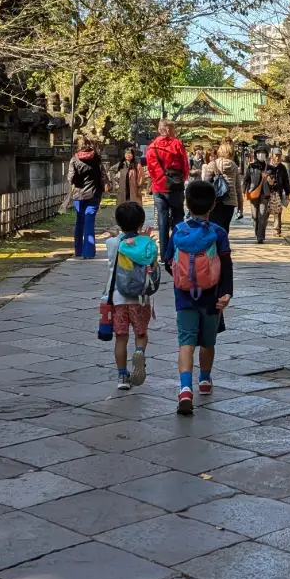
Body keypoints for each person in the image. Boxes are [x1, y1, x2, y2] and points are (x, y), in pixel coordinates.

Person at [168, 180, 233, 415]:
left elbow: (168, 261)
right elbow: (226, 264)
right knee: (208, 341)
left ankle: (185, 388)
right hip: (212, 297)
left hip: (184, 297)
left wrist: (184, 276)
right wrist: (226, 293)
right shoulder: (218, 232)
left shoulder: (178, 230)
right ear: (213, 204)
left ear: (187, 203)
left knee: (185, 343)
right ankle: (204, 379)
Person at [100, 201, 158, 390]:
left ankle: (122, 377)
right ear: (141, 223)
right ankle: (140, 351)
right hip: (141, 299)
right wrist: (144, 237)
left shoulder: (112, 243)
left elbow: (118, 241)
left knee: (121, 338)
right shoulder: (147, 243)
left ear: (118, 222)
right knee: (140, 333)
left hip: (118, 299)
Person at [146, 120, 189, 272]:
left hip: (159, 187)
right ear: (170, 130)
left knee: (162, 221)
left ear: (160, 130)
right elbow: (185, 164)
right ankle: (177, 251)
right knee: (178, 218)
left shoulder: (152, 147)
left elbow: (151, 168)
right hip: (175, 186)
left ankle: (164, 255)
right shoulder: (177, 144)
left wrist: (159, 181)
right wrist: (181, 179)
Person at [69, 136, 105, 258]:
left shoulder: (74, 159)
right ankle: (88, 252)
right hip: (94, 193)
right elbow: (103, 175)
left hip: (79, 194)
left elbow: (70, 178)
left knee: (79, 222)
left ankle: (78, 250)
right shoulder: (97, 158)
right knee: (89, 221)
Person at [207, 139, 241, 231]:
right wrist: (240, 206)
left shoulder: (211, 164)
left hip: (214, 199)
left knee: (213, 226)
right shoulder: (233, 166)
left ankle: (215, 244)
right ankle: (223, 244)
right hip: (230, 200)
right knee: (224, 227)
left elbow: (206, 184)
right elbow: (238, 188)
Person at [243, 149, 271, 243]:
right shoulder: (251, 166)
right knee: (255, 216)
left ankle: (260, 236)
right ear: (256, 155)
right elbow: (246, 179)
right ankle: (257, 232)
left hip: (265, 193)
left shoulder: (269, 167)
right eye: (259, 153)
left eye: (263, 153)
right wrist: (244, 190)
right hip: (254, 192)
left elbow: (274, 181)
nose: (261, 155)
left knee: (262, 215)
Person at [264, 149, 290, 240]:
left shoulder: (282, 167)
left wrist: (287, 192)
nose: (277, 157)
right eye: (276, 155)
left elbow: (286, 181)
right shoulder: (266, 166)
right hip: (267, 191)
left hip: (278, 191)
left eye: (279, 155)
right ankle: (262, 228)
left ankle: (277, 229)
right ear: (272, 155)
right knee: (266, 210)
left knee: (278, 210)